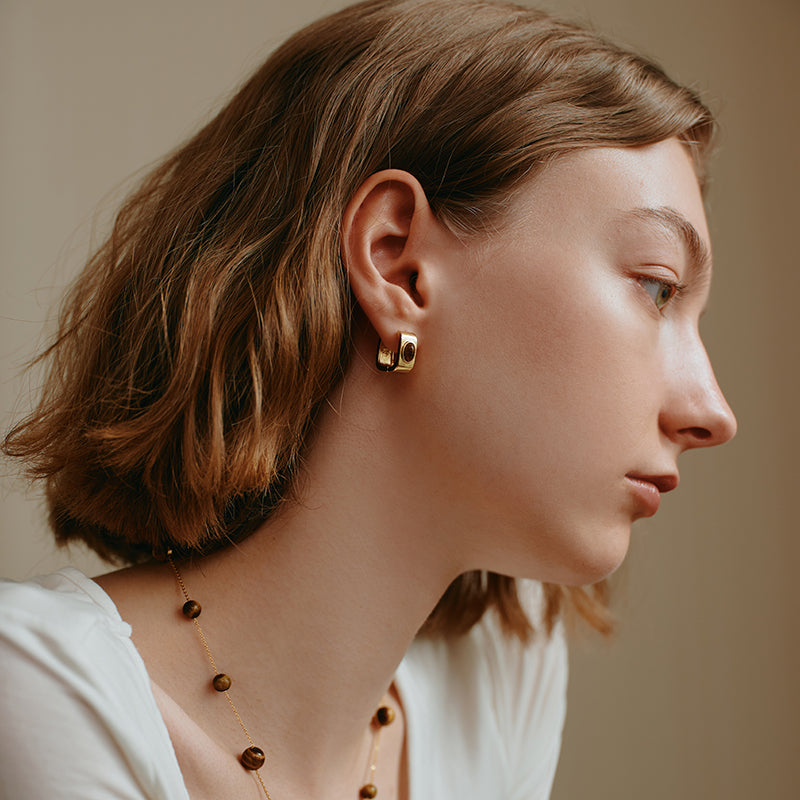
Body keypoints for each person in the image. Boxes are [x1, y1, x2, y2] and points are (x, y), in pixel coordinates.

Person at [0, 1, 736, 798]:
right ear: (397, 265)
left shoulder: (494, 680)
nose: (712, 411)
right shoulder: (40, 696)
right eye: (658, 288)